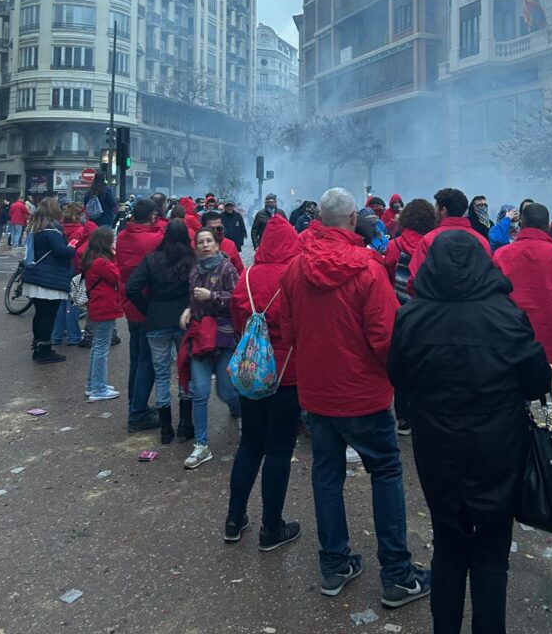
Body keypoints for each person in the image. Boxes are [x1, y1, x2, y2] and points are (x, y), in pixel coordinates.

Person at [388, 231, 551, 634]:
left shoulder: (411, 315)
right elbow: (535, 382)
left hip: (435, 445)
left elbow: (398, 376)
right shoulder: (506, 314)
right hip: (497, 446)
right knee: (492, 554)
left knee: (447, 544)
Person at [280, 188, 430, 608]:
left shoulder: (295, 268)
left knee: (326, 474)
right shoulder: (367, 267)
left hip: (317, 394)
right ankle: (397, 575)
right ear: (350, 220)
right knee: (385, 472)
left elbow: (288, 331)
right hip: (364, 394)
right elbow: (386, 338)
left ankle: (334, 565)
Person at [226, 215, 301, 547]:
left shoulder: (246, 275)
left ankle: (234, 518)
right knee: (279, 451)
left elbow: (236, 317)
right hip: (287, 375)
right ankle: (271, 527)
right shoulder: (295, 277)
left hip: (252, 373)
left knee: (250, 445)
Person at [495, 203, 552, 465]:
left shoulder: (502, 255)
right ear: (548, 226)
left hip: (513, 341)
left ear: (521, 224)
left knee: (517, 400)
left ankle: (518, 457)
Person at [126, 220, 193, 445]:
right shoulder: (191, 260)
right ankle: (185, 423)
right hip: (184, 321)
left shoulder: (152, 259)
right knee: (185, 372)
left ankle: (166, 429)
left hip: (156, 322)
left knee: (162, 374)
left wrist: (148, 308)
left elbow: (131, 287)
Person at [178, 228, 240, 469]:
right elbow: (194, 300)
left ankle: (242, 413)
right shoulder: (194, 270)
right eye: (201, 242)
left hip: (224, 337)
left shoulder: (227, 268)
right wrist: (189, 309)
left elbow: (237, 299)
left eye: (209, 241)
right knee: (200, 392)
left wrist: (212, 295)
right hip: (200, 337)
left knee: (227, 391)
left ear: (216, 245)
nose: (205, 245)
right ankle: (201, 445)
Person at [384, 197, 437, 435]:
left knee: (403, 361)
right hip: (429, 310)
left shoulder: (395, 245)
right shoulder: (434, 244)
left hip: (400, 310)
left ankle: (404, 416)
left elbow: (387, 275)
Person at [116, 198, 164, 433]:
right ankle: (137, 415)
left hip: (130, 304)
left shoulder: (123, 236)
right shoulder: (153, 239)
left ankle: (136, 404)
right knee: (148, 361)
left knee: (136, 359)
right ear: (152, 216)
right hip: (146, 304)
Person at [22, 197, 76, 364]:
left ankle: (38, 347)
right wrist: (72, 247)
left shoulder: (35, 228)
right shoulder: (52, 229)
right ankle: (45, 351)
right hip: (49, 280)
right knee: (48, 316)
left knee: (40, 315)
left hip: (35, 276)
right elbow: (61, 252)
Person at [408, 187, 491, 292]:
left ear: (443, 210)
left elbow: (415, 281)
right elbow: (488, 279)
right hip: (475, 305)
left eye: (436, 207)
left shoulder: (428, 241)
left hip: (435, 306)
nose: (434, 211)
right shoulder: (482, 241)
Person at [81, 227, 122, 402]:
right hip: (105, 306)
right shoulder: (102, 262)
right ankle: (98, 387)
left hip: (97, 305)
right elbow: (118, 277)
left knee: (97, 347)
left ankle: (93, 384)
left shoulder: (91, 259)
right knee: (101, 349)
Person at [51, 203, 97, 347]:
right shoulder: (80, 231)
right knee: (72, 305)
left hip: (59, 270)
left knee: (62, 304)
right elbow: (77, 254)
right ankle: (73, 335)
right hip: (73, 270)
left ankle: (56, 335)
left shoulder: (59, 229)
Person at [201, 209, 244, 276]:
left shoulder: (230, 245)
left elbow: (239, 270)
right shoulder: (195, 246)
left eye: (219, 228)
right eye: (211, 229)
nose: (215, 232)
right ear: (203, 228)